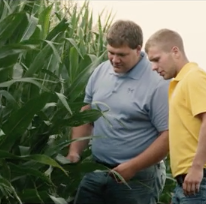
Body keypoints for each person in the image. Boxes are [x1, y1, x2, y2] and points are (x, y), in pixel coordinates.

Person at [65, 20, 170, 204]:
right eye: (110, 53)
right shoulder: (101, 71)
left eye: (121, 54)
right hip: (96, 170)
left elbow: (168, 136)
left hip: (137, 178)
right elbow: (87, 114)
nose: (114, 59)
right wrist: (74, 152)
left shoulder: (157, 82)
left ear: (138, 50)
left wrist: (133, 167)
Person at [145, 28, 206, 204]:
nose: (153, 67)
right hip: (188, 183)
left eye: (157, 60)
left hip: (201, 181)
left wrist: (196, 167)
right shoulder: (180, 83)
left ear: (175, 51)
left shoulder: (195, 77)